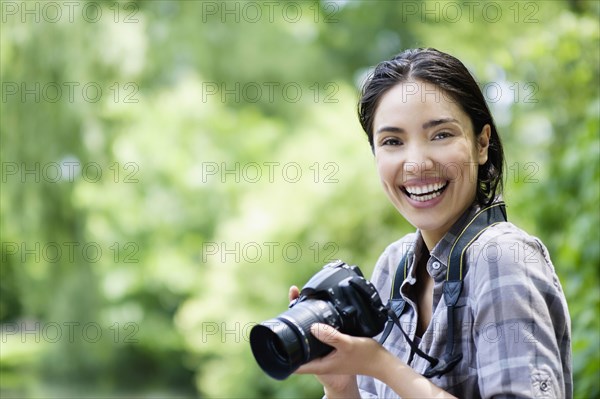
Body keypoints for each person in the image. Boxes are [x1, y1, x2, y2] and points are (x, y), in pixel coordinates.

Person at [288, 48, 572, 398]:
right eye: (392, 141)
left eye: (441, 135)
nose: (416, 163)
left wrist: (381, 365)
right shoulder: (394, 266)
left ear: (482, 143)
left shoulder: (502, 256)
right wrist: (341, 383)